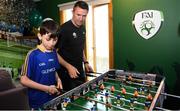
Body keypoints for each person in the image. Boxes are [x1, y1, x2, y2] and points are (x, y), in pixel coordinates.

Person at [20, 18, 63, 109]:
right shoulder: (32, 55)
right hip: (37, 102)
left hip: (52, 98)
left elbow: (54, 70)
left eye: (55, 40)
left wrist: (58, 79)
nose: (52, 43)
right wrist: (47, 88)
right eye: (48, 39)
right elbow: (23, 80)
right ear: (40, 36)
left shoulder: (54, 52)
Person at [56, 1, 93, 91]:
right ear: (72, 12)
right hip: (66, 73)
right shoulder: (64, 29)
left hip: (80, 70)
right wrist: (68, 66)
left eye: (84, 16)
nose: (81, 19)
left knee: (84, 96)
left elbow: (80, 47)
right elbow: (54, 53)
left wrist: (86, 62)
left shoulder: (83, 28)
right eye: (78, 15)